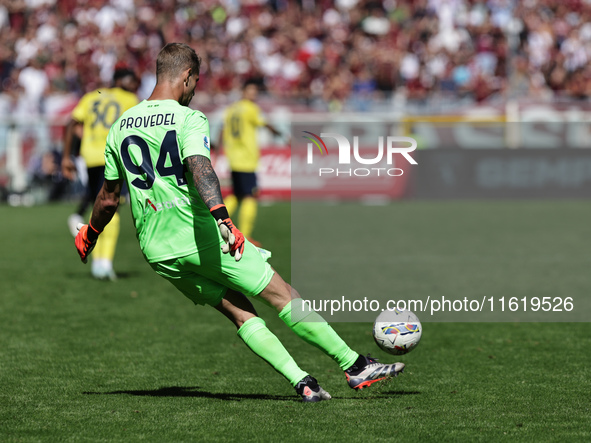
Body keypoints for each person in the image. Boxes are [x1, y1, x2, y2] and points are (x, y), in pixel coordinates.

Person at [74, 43, 404, 402]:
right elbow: (202, 170)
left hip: (158, 250)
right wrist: (223, 219)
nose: (195, 90)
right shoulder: (188, 118)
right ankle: (354, 365)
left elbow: (108, 197)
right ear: (186, 76)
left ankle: (302, 382)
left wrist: (90, 234)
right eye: (195, 82)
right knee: (282, 294)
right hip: (199, 235)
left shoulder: (120, 125)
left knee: (237, 310)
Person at [62, 68, 139, 280]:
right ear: (121, 81)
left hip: (91, 155)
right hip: (113, 155)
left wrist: (66, 156)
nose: (135, 86)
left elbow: (71, 122)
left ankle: (96, 261)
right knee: (113, 206)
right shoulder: (129, 98)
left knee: (99, 203)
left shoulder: (90, 97)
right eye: (132, 81)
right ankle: (104, 262)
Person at [216, 79, 283, 245]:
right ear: (244, 92)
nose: (253, 94)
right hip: (246, 158)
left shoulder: (231, 109)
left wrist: (219, 148)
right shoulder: (251, 108)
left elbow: (222, 129)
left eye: (255, 91)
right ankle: (245, 235)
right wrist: (282, 135)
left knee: (236, 194)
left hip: (233, 157)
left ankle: (216, 224)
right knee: (250, 195)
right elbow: (266, 124)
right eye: (251, 91)